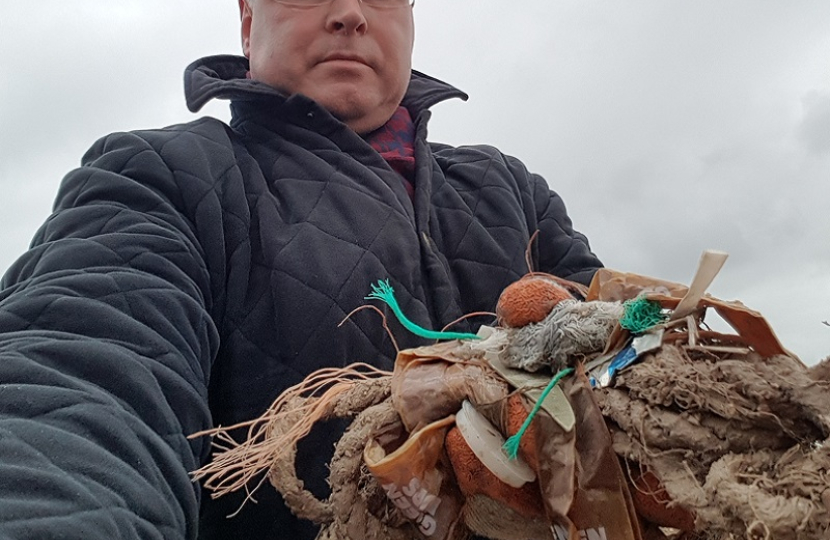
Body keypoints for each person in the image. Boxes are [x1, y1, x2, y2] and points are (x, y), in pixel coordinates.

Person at [0, 0, 601, 538]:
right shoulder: (159, 174)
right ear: (246, 21)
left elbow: (636, 350)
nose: (350, 13)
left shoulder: (511, 190)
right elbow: (79, 376)